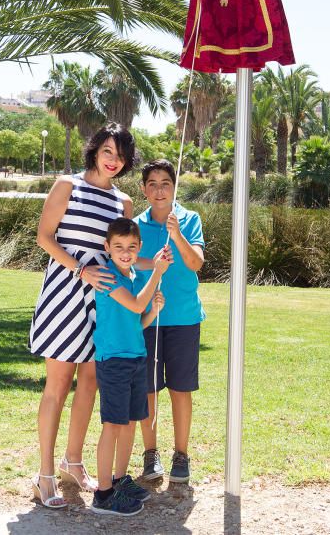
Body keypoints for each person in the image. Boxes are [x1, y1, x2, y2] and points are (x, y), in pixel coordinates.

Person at [29, 123, 136, 509]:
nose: (114, 160)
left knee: (90, 382)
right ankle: (44, 475)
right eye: (108, 151)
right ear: (95, 150)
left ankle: (72, 461)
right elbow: (44, 237)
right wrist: (80, 269)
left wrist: (154, 267)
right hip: (64, 294)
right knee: (57, 386)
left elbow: (122, 252)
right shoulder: (67, 186)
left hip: (103, 302)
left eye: (121, 155)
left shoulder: (123, 203)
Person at [91, 217, 170, 516]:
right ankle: (103, 494)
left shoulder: (134, 273)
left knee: (130, 423)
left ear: (139, 249)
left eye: (132, 247)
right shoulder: (108, 276)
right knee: (112, 425)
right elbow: (136, 304)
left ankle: (120, 479)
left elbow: (139, 319)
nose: (125, 252)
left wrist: (155, 310)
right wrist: (157, 274)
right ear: (107, 248)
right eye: (119, 246)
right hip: (113, 362)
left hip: (136, 357)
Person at [134, 159, 206, 484]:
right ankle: (151, 455)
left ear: (174, 187)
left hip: (184, 318)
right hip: (146, 318)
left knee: (180, 388)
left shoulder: (189, 220)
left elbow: (195, 263)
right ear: (143, 189)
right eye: (152, 183)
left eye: (165, 183)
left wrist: (176, 235)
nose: (159, 190)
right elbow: (128, 258)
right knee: (148, 388)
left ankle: (181, 454)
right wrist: (153, 264)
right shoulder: (135, 224)